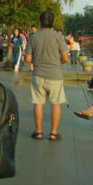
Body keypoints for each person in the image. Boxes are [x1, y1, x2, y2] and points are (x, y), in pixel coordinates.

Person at [25, 11, 69, 141]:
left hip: (38, 74)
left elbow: (28, 59)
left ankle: (38, 132)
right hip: (55, 75)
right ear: (52, 22)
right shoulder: (58, 37)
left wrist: (38, 62)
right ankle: (53, 133)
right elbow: (66, 58)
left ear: (40, 22)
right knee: (56, 104)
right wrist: (58, 62)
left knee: (38, 103)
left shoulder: (33, 37)